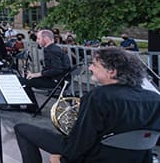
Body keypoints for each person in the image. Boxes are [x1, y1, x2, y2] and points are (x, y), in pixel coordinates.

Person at [14, 47, 160, 163]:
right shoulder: (155, 98)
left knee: (22, 128)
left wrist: (63, 159)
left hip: (98, 156)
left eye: (94, 65)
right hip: (140, 157)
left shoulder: (99, 96)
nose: (90, 68)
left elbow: (80, 143)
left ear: (111, 71)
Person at [21, 29, 72, 107]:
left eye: (39, 38)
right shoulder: (54, 48)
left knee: (23, 82)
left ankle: (32, 107)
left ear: (46, 39)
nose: (37, 41)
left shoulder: (52, 51)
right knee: (25, 80)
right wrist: (35, 75)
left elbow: (57, 69)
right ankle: (31, 106)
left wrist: (36, 74)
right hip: (58, 79)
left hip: (56, 81)